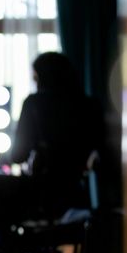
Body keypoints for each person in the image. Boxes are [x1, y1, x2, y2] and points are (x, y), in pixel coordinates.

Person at [10, 51, 104, 219]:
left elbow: (18, 155)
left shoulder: (33, 103)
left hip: (42, 194)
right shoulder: (90, 104)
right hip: (80, 190)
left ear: (41, 77)